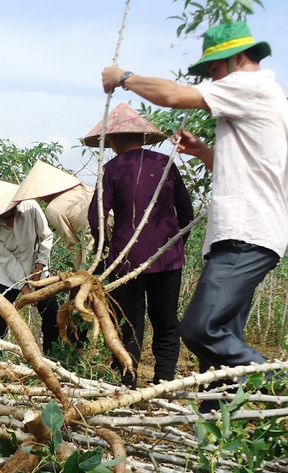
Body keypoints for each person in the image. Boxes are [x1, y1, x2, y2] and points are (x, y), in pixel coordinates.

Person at [100, 21, 288, 407]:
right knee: (219, 345)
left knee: (200, 329)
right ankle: (214, 429)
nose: (212, 80)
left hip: (246, 235)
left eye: (214, 70)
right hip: (244, 235)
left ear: (239, 58)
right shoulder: (259, 98)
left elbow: (173, 96)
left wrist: (123, 78)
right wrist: (204, 152)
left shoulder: (251, 85)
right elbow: (245, 168)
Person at [84, 102, 195, 388]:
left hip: (125, 259)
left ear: (113, 140)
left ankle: (128, 383)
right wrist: (176, 245)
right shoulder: (165, 164)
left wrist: (104, 245)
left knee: (129, 325)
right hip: (167, 257)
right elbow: (186, 213)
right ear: (142, 137)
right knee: (166, 322)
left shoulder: (110, 169)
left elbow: (97, 216)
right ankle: (165, 382)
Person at [0, 177, 60, 355]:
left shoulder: (30, 207)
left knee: (52, 315)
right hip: (8, 276)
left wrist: (40, 266)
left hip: (37, 269)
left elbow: (46, 236)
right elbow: (6, 260)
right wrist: (24, 288)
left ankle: (54, 355)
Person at [11, 160, 94, 272]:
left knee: (92, 277)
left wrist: (81, 273)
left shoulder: (53, 208)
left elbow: (72, 244)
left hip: (92, 240)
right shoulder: (84, 189)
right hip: (114, 232)